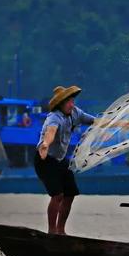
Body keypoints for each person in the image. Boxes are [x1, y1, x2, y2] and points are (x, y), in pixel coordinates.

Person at [34, 85, 96, 234]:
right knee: (58, 195)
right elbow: (51, 132)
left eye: (72, 101)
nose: (72, 104)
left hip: (60, 160)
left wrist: (121, 123)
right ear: (61, 104)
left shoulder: (76, 113)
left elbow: (95, 121)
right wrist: (45, 145)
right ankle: (52, 231)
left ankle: (61, 230)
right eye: (69, 102)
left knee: (70, 194)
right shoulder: (54, 117)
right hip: (45, 159)